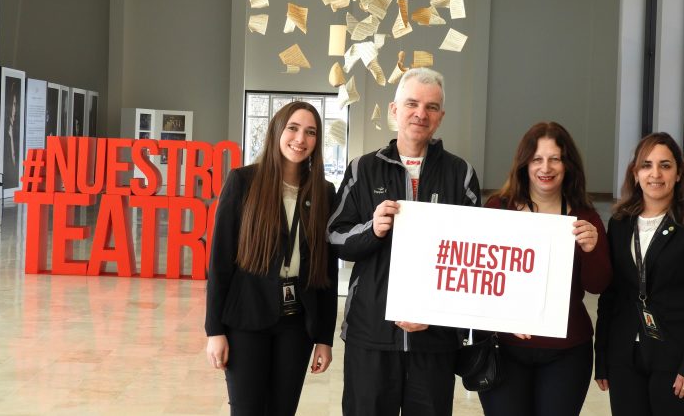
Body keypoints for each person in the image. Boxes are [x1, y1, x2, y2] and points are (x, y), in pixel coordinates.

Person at [328, 68, 481, 416]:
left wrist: (438, 313)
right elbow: (334, 237)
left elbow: (473, 255)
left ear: (440, 117)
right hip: (371, 333)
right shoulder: (362, 170)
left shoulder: (461, 174)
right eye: (411, 103)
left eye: (431, 107)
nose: (420, 113)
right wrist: (372, 229)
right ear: (394, 110)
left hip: (436, 339)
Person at [205, 101, 338, 416]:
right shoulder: (243, 182)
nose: (300, 139)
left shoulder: (323, 191)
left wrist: (324, 338)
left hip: (296, 323)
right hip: (246, 318)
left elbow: (327, 272)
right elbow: (219, 263)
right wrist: (214, 330)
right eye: (293, 128)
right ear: (278, 130)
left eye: (310, 132)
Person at [478, 122, 611, 416]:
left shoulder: (584, 216)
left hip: (566, 351)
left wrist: (592, 250)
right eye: (537, 159)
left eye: (555, 158)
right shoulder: (498, 209)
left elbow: (598, 284)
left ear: (568, 165)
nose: (545, 167)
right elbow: (480, 281)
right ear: (524, 164)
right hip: (505, 349)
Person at [594, 132, 684, 416]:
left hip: (676, 358)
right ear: (635, 173)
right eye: (647, 165)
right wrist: (601, 355)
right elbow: (611, 295)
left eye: (665, 165)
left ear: (679, 174)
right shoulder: (619, 223)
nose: (655, 174)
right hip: (624, 356)